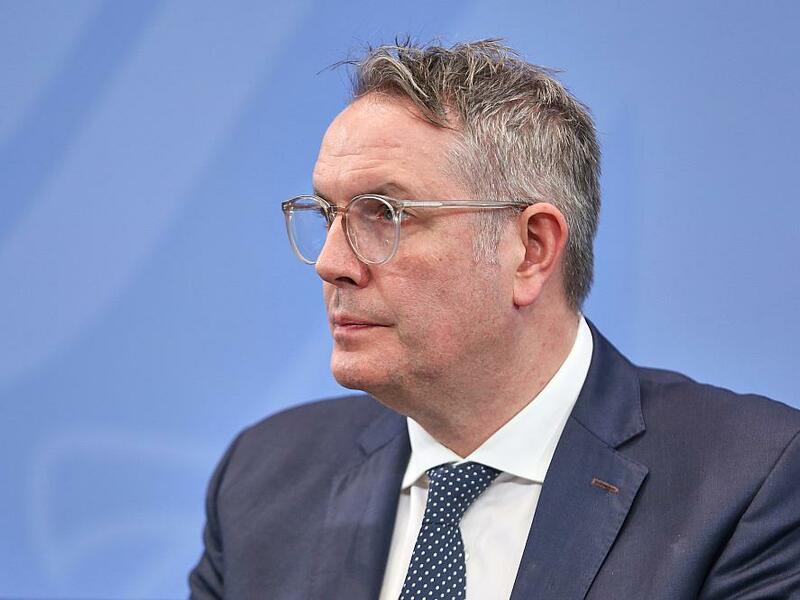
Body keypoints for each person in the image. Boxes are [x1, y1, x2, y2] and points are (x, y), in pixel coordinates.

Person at [189, 40, 800, 599]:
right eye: (328, 213)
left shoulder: (751, 481)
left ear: (531, 250)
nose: (331, 264)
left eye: (385, 213)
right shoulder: (262, 479)